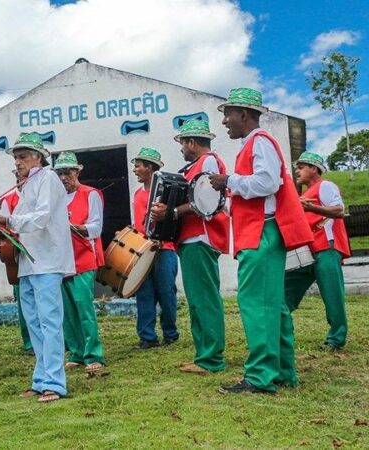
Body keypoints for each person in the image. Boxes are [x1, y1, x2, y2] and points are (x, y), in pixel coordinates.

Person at [210, 88, 313, 394]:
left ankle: (259, 376)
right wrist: (229, 197)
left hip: (262, 233)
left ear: (244, 114)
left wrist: (229, 181)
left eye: (228, 114)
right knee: (272, 304)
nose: (225, 120)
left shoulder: (260, 141)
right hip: (260, 230)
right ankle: (281, 371)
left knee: (256, 303)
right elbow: (258, 191)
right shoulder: (252, 144)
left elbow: (269, 182)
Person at [0, 132, 75, 403]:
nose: (18, 161)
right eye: (16, 157)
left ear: (38, 158)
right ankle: (40, 379)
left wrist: (7, 221)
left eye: (23, 156)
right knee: (35, 324)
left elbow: (42, 218)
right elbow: (24, 224)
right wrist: (2, 233)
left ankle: (55, 383)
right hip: (29, 262)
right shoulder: (26, 186)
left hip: (47, 260)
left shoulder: (47, 178)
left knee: (49, 322)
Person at [150, 120, 229, 374]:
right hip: (192, 237)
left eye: (183, 143)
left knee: (204, 299)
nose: (182, 148)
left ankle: (211, 359)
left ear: (192, 142)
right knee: (197, 299)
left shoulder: (208, 162)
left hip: (200, 236)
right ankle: (203, 354)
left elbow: (204, 200)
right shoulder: (196, 165)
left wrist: (170, 212)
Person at [285, 151, 351, 351]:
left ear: (314, 169)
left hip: (326, 247)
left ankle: (336, 340)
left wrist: (310, 209)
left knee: (332, 295)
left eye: (302, 167)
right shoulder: (303, 196)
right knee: (284, 293)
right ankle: (281, 332)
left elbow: (339, 211)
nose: (297, 171)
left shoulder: (325, 186)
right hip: (306, 251)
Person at [53, 151, 105, 373]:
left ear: (77, 172)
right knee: (67, 312)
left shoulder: (90, 194)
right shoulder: (54, 199)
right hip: (61, 260)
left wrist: (72, 226)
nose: (64, 177)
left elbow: (95, 228)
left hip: (83, 258)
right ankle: (76, 351)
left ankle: (93, 354)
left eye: (68, 172)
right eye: (60, 173)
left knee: (84, 308)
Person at [131, 148, 180, 350]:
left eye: (138, 166)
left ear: (149, 167)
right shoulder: (137, 194)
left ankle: (170, 333)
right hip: (143, 250)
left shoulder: (165, 193)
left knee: (166, 291)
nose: (134, 170)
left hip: (165, 248)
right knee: (144, 292)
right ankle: (147, 337)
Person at [0, 170, 33, 355]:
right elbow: (4, 230)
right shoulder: (8, 199)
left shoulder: (40, 197)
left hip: (42, 253)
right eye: (21, 176)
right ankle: (30, 342)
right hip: (19, 254)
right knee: (23, 300)